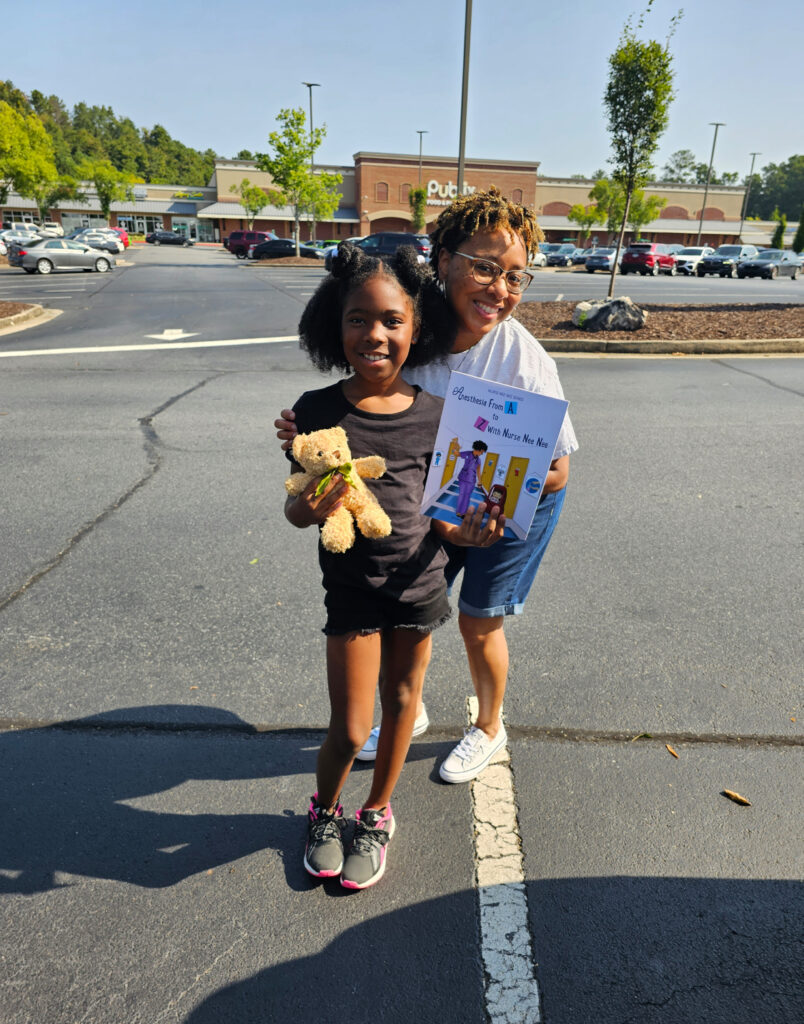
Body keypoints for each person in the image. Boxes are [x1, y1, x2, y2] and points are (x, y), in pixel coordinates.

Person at [278, 187, 578, 786]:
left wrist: (484, 492)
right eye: (486, 267)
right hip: (433, 492)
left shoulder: (523, 361)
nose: (500, 289)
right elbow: (370, 406)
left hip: (510, 501)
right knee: (408, 601)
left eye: (517, 277)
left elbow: (556, 470)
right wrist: (308, 436)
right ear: (443, 260)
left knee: (477, 618)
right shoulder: (413, 324)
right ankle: (406, 708)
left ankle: (490, 727)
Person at [285, 242, 502, 889]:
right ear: (336, 323)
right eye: (359, 318)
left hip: (419, 588)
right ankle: (324, 809)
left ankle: (377, 811)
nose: (374, 334)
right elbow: (297, 512)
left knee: (403, 701)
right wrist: (313, 505)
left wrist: (473, 532)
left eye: (391, 321)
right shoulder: (316, 410)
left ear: (415, 328)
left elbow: (444, 517)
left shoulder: (440, 417)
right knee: (351, 727)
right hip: (351, 590)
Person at [456, 440, 488, 516]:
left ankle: (463, 512)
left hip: (472, 481)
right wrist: (455, 446)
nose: (482, 453)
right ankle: (458, 511)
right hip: (463, 478)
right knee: (461, 494)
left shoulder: (479, 460)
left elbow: (478, 471)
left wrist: (480, 481)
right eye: (482, 451)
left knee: (467, 496)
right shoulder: (467, 454)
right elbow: (457, 454)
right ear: (478, 449)